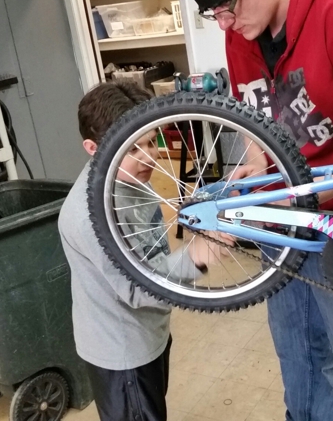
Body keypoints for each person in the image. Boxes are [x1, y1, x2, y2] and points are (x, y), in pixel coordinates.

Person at [193, 0, 333, 420]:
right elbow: (253, 117)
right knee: (294, 345)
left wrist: (299, 197)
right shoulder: (239, 31)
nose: (223, 23)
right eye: (212, 14)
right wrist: (258, 162)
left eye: (227, 6)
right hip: (284, 217)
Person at [58, 80, 230, 421]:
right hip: (122, 353)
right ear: (93, 148)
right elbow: (139, 286)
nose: (149, 156)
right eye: (133, 149)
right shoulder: (89, 216)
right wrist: (194, 257)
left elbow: (151, 252)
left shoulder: (131, 178)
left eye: (152, 141)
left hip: (148, 333)